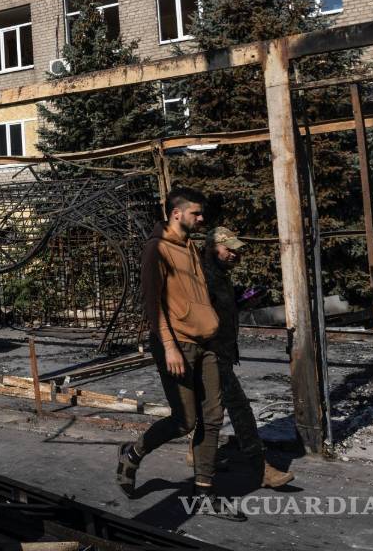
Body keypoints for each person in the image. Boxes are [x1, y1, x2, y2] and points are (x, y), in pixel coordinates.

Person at [115, 186, 244, 521]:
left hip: (208, 345)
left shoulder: (189, 247)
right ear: (177, 213)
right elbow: (152, 302)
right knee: (185, 420)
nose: (202, 219)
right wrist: (169, 346)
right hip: (178, 345)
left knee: (213, 417)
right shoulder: (156, 249)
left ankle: (204, 492)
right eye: (196, 213)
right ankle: (133, 452)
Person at [191, 226, 294, 489]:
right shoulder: (203, 276)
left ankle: (201, 456)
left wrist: (241, 299)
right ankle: (262, 470)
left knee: (210, 411)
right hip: (210, 356)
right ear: (212, 248)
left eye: (237, 250)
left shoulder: (220, 275)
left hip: (221, 353)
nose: (235, 255)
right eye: (229, 249)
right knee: (240, 410)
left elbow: (221, 307)